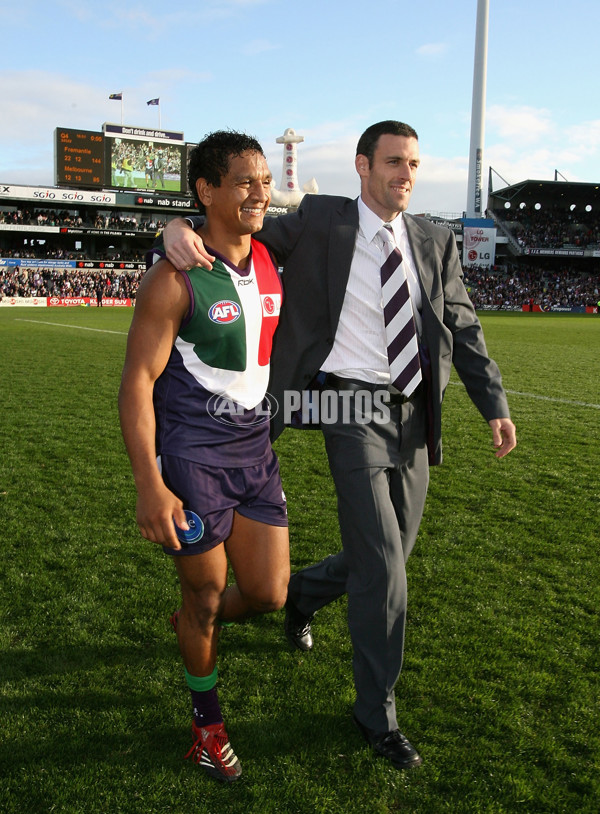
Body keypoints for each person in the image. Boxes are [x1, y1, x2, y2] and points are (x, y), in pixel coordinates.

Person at [162, 120, 517, 771]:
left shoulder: (435, 239)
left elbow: (462, 323)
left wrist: (492, 405)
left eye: (412, 163)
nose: (404, 174)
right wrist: (177, 226)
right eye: (392, 162)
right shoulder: (323, 220)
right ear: (362, 166)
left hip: (415, 418)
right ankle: (376, 713)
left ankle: (302, 595)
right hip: (347, 408)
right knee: (384, 566)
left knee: (385, 559)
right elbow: (234, 225)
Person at [118, 131, 289, 783]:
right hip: (191, 458)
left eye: (265, 180)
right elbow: (136, 381)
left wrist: (168, 224)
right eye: (244, 181)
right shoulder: (173, 278)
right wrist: (149, 485)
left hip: (255, 450)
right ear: (207, 191)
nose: (259, 192)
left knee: (270, 593)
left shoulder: (274, 253)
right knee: (210, 595)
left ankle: (193, 616)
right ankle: (205, 727)